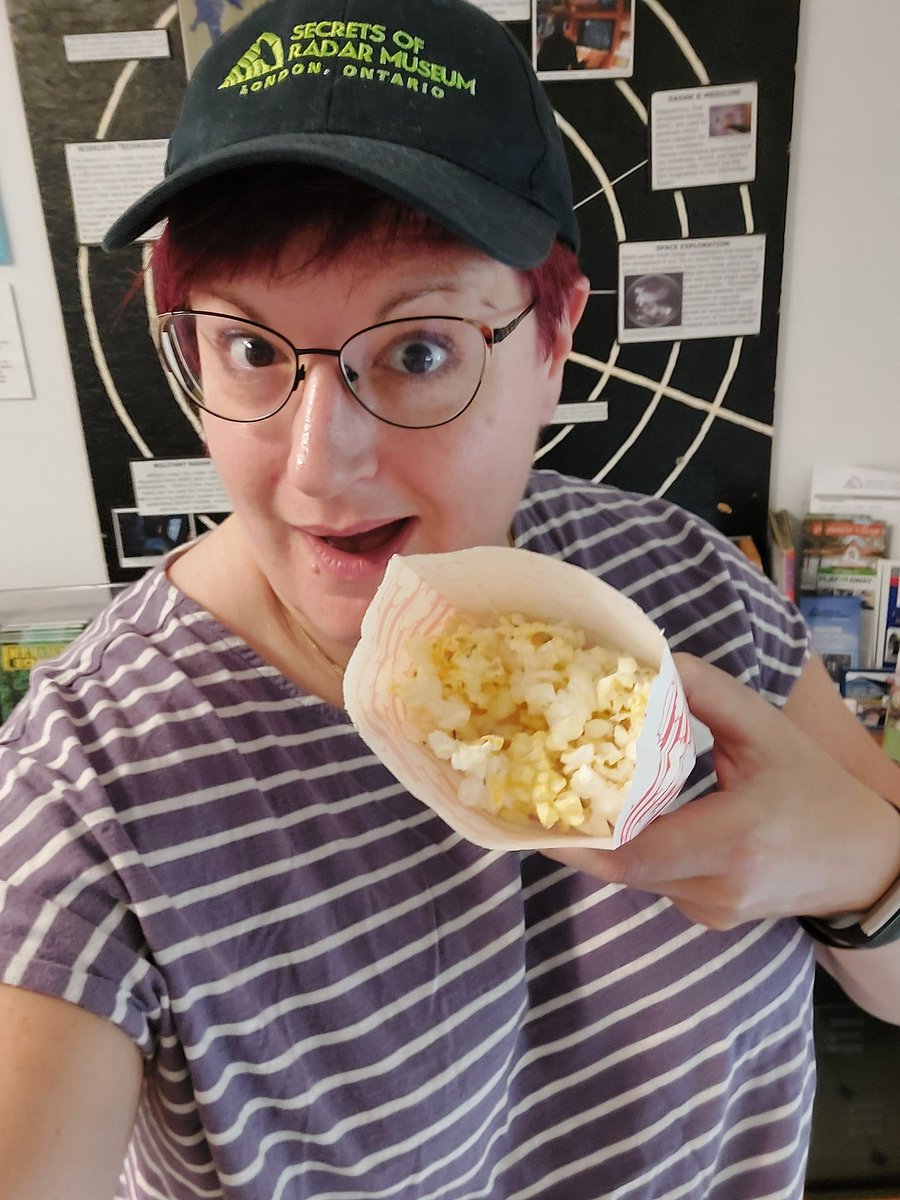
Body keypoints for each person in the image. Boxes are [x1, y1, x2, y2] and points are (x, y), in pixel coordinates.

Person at [0, 1, 898, 1197]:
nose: (318, 467)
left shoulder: (687, 582)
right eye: (253, 351)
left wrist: (868, 872)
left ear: (554, 337)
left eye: (418, 350)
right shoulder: (93, 789)